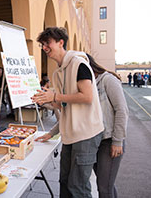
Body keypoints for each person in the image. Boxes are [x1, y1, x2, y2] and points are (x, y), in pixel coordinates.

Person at [32, 27, 104, 197]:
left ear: (60, 42)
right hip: (70, 135)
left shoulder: (79, 64)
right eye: (42, 45)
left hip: (86, 134)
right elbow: (65, 106)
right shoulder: (57, 73)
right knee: (64, 182)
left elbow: (87, 97)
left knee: (78, 186)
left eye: (47, 43)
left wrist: (55, 95)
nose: (45, 48)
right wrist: (47, 100)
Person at [87, 54, 128, 198]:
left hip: (110, 140)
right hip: (95, 141)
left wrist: (117, 141)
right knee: (106, 184)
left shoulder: (108, 80)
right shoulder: (88, 84)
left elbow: (122, 110)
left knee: (104, 188)